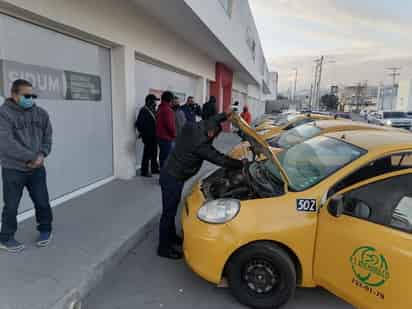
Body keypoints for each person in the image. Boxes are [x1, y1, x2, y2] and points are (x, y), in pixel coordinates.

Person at [158, 112, 244, 259]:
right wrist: (240, 164)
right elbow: (218, 158)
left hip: (170, 173)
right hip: (173, 177)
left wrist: (226, 114)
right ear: (210, 133)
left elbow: (213, 118)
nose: (214, 139)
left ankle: (170, 237)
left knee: (171, 210)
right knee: (168, 212)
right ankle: (163, 248)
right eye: (214, 137)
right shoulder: (200, 144)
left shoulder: (195, 126)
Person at [0, 79, 53, 252]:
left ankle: (45, 230)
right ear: (14, 94)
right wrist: (32, 156)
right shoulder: (4, 114)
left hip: (37, 168)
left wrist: (42, 154)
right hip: (13, 169)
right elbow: (6, 143)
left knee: (42, 201)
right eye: (26, 95)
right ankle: (6, 238)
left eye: (32, 95)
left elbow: (48, 137)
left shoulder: (41, 114)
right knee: (11, 206)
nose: (30, 98)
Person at [135, 94, 160, 177]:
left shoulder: (152, 109)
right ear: (149, 101)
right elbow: (139, 124)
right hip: (148, 137)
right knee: (147, 154)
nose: (155, 103)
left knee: (154, 153)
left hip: (154, 136)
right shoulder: (143, 110)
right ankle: (144, 171)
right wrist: (144, 134)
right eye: (154, 101)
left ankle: (154, 169)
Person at [156, 91, 176, 168]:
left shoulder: (160, 108)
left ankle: (162, 175)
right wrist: (174, 135)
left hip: (160, 137)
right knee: (167, 159)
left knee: (162, 157)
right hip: (166, 138)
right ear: (170, 100)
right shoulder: (168, 110)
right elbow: (170, 126)